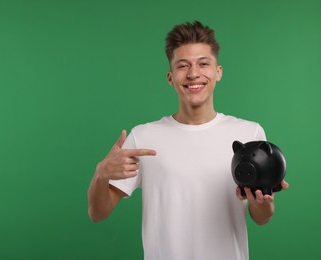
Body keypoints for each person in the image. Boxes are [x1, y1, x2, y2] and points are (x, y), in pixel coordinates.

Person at [87, 20, 289, 260]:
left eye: (203, 64)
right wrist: (101, 174)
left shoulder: (250, 134)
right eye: (183, 66)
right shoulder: (143, 137)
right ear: (171, 77)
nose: (194, 74)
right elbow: (98, 213)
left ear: (218, 72)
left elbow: (262, 218)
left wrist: (262, 202)